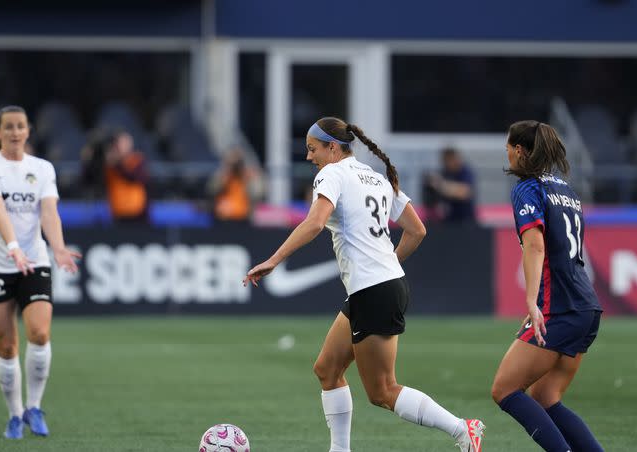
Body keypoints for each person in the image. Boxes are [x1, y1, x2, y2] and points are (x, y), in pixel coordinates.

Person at [243, 117, 484, 452]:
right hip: (376, 287)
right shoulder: (375, 177)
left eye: (313, 149)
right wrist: (389, 265)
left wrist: (274, 259)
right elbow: (417, 230)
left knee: (383, 391)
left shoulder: (332, 174)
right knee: (327, 369)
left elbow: (314, 223)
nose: (309, 157)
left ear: (331, 147)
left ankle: (462, 429)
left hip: (375, 290)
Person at [490, 121, 604, 452]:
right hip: (586, 307)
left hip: (562, 308)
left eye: (509, 147)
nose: (507, 153)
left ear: (521, 151)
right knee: (544, 396)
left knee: (504, 390)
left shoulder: (528, 188)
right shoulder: (567, 190)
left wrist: (531, 302)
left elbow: (536, 246)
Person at [0, 105, 81, 439]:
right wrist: (13, 248)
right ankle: (15, 414)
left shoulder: (42, 169)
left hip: (34, 262)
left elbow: (49, 213)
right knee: (6, 346)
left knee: (40, 333)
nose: (15, 132)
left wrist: (58, 247)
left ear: (29, 131)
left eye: (21, 126)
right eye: (9, 127)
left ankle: (34, 407)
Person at [104, 129, 149, 224]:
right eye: (119, 143)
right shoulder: (109, 164)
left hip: (137, 213)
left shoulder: (136, 160)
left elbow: (136, 178)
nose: (121, 147)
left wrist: (118, 164)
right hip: (118, 214)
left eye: (124, 143)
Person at [208, 146, 263, 222]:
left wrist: (247, 179)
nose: (235, 166)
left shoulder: (249, 174)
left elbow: (258, 193)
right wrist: (224, 174)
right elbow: (211, 190)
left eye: (237, 162)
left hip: (243, 217)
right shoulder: (223, 174)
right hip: (222, 217)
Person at [423, 147, 476, 224]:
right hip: (447, 221)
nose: (447, 164)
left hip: (465, 221)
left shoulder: (466, 172)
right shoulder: (444, 172)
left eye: (449, 160)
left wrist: (440, 185)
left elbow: (464, 192)